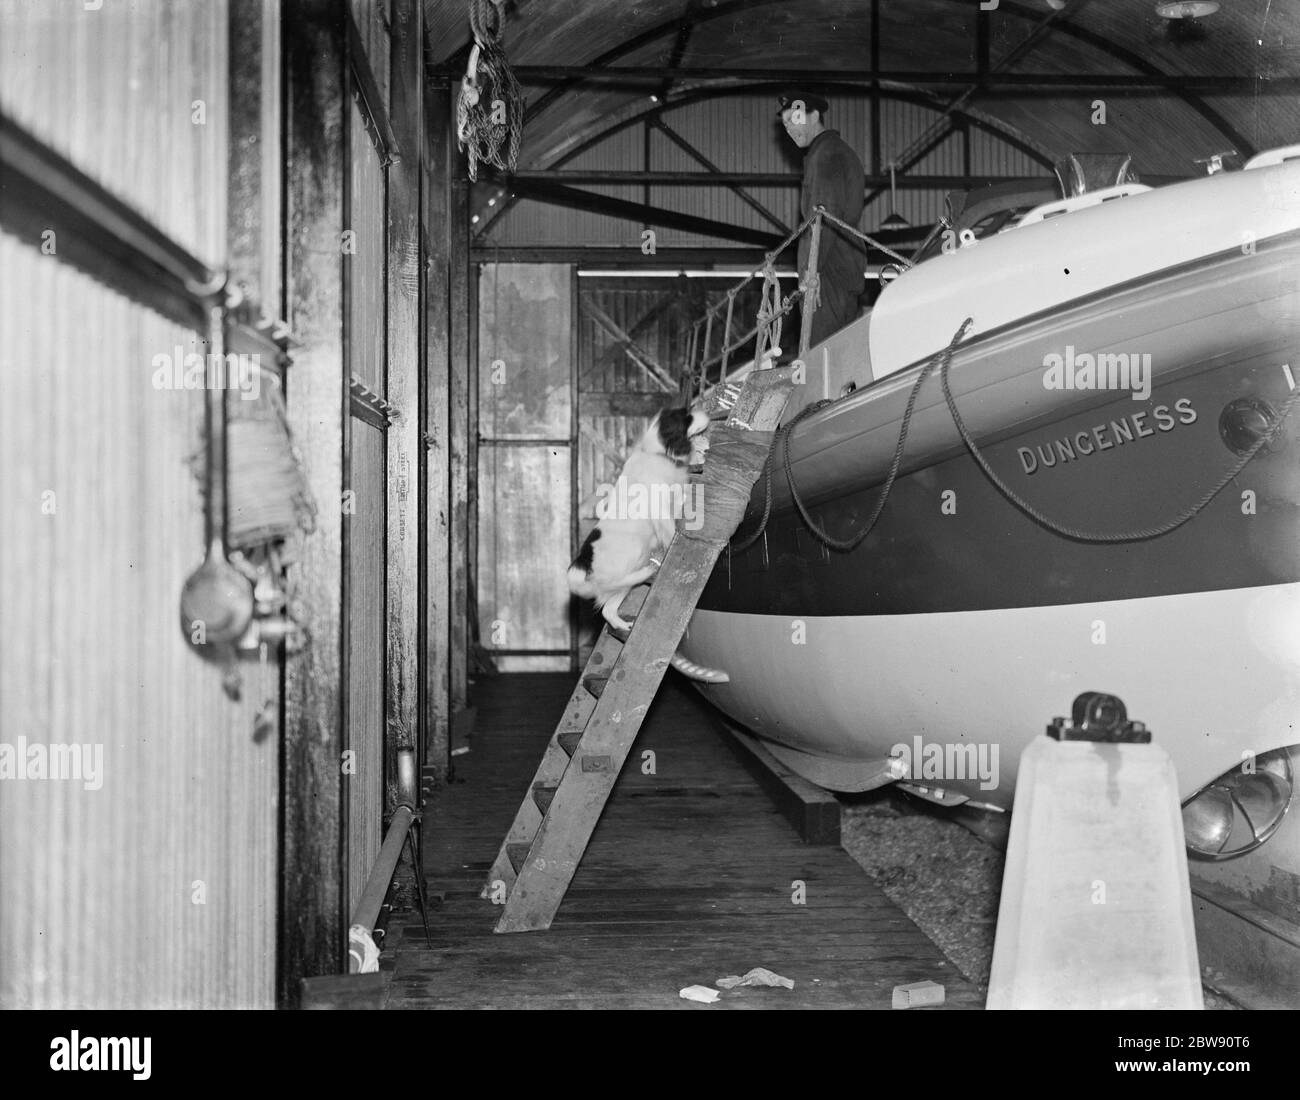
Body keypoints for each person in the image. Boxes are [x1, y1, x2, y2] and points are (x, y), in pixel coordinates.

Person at [778, 90, 867, 347]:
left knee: (821, 354)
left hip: (827, 271)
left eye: (795, 119)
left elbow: (823, 215)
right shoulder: (829, 152)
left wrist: (811, 274)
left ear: (815, 115)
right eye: (785, 124)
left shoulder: (825, 155)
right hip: (836, 267)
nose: (791, 129)